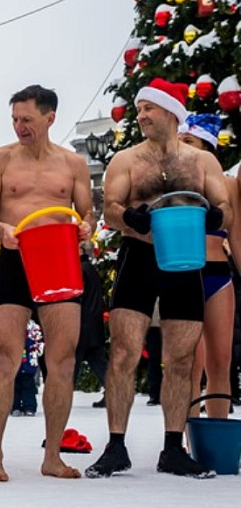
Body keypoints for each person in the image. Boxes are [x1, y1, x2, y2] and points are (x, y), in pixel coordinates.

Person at [86, 78, 230, 479]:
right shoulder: (127, 160)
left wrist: (217, 217)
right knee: (123, 354)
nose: (141, 115)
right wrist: (127, 217)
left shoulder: (202, 162)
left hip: (186, 260)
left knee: (181, 359)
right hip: (138, 255)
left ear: (170, 111)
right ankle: (116, 446)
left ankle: (172, 448)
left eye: (148, 108)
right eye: (139, 109)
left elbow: (224, 207)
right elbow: (110, 207)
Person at [0, 84, 94, 482]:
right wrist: (0, 228)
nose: (19, 127)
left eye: (27, 119)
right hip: (15, 258)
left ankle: (53, 457)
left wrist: (86, 230)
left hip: (60, 260)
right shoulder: (0, 160)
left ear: (49, 118)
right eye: (14, 119)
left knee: (62, 361)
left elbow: (86, 216)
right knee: (5, 359)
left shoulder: (73, 164)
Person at [179, 114, 236, 420]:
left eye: (188, 141)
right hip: (184, 275)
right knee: (188, 362)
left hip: (218, 276)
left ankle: (217, 433)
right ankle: (189, 439)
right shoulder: (172, 185)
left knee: (220, 362)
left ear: (207, 146)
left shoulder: (227, 185)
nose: (181, 147)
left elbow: (236, 238)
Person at [75, 243, 108, 407]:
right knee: (97, 359)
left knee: (73, 359)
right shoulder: (89, 268)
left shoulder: (80, 269)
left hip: (82, 321)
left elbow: (78, 295)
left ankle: (62, 393)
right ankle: (112, 390)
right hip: (93, 320)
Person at [12, 319, 43, 416]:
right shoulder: (11, 324)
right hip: (15, 364)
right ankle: (15, 407)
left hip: (29, 364)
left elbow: (39, 344)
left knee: (29, 387)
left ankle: (29, 407)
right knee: (14, 388)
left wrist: (35, 350)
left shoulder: (34, 327)